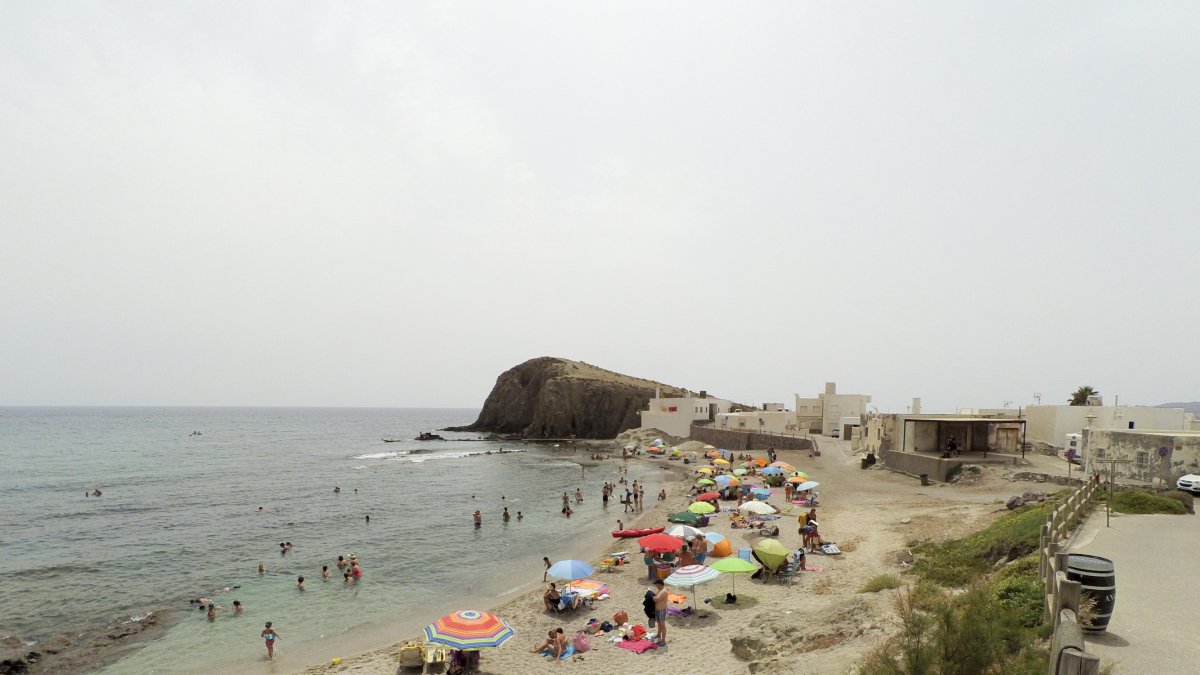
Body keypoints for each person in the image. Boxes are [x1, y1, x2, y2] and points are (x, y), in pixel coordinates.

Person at [652, 580, 669, 645]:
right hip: (658, 610)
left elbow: (657, 599)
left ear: (660, 584)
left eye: (656, 585)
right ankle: (658, 635)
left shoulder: (663, 591)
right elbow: (656, 595)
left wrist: (651, 596)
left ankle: (663, 641)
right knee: (659, 624)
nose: (656, 586)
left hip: (662, 610)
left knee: (662, 625)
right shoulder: (659, 590)